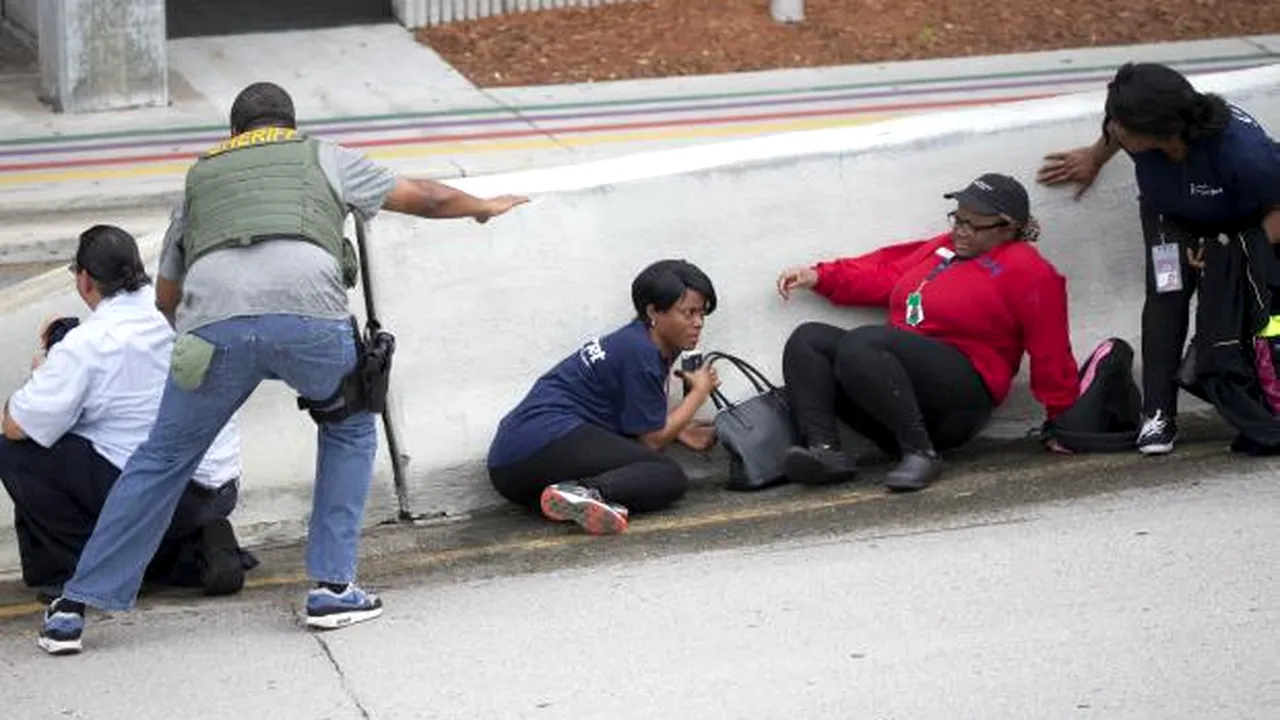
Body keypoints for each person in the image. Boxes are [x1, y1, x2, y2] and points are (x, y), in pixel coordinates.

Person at [37, 81, 529, 656]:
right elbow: (426, 197)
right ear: (289, 127)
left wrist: (198, 340)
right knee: (347, 426)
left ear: (234, 135)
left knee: (161, 459)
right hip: (310, 321)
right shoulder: (323, 156)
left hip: (212, 328)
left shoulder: (202, 177)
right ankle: (332, 588)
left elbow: (167, 292)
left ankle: (73, 609)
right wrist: (483, 209)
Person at [775, 173, 1079, 492]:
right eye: (957, 220)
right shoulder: (944, 248)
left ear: (1008, 227)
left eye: (973, 225)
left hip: (959, 398)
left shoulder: (1028, 269)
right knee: (808, 340)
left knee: (864, 342)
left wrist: (1063, 419)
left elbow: (1051, 348)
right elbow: (886, 272)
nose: (960, 231)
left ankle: (921, 452)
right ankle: (826, 454)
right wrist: (819, 277)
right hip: (895, 391)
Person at [1037, 62, 1280, 455]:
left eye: (1122, 126)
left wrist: (1230, 253)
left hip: (1240, 227)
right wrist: (1095, 157)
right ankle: (1159, 415)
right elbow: (1115, 122)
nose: (1114, 128)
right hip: (1169, 219)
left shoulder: (1244, 153)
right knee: (1167, 290)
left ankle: (1233, 385)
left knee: (1234, 302)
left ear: (1160, 131)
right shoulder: (1139, 122)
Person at [0, 225, 251, 601]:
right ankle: (194, 549)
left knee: (15, 451)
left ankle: (86, 568)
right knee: (120, 444)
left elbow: (17, 425)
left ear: (84, 280)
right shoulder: (180, 308)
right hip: (220, 485)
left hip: (162, 495)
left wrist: (45, 369)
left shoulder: (88, 343)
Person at [487, 260, 720, 535]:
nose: (698, 323)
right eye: (688, 313)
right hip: (540, 441)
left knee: (649, 470)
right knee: (667, 476)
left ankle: (571, 497)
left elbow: (626, 419)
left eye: (702, 314)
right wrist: (699, 393)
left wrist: (678, 431)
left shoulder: (638, 342)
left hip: (512, 471)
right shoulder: (641, 352)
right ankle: (589, 493)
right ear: (653, 311)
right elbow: (652, 441)